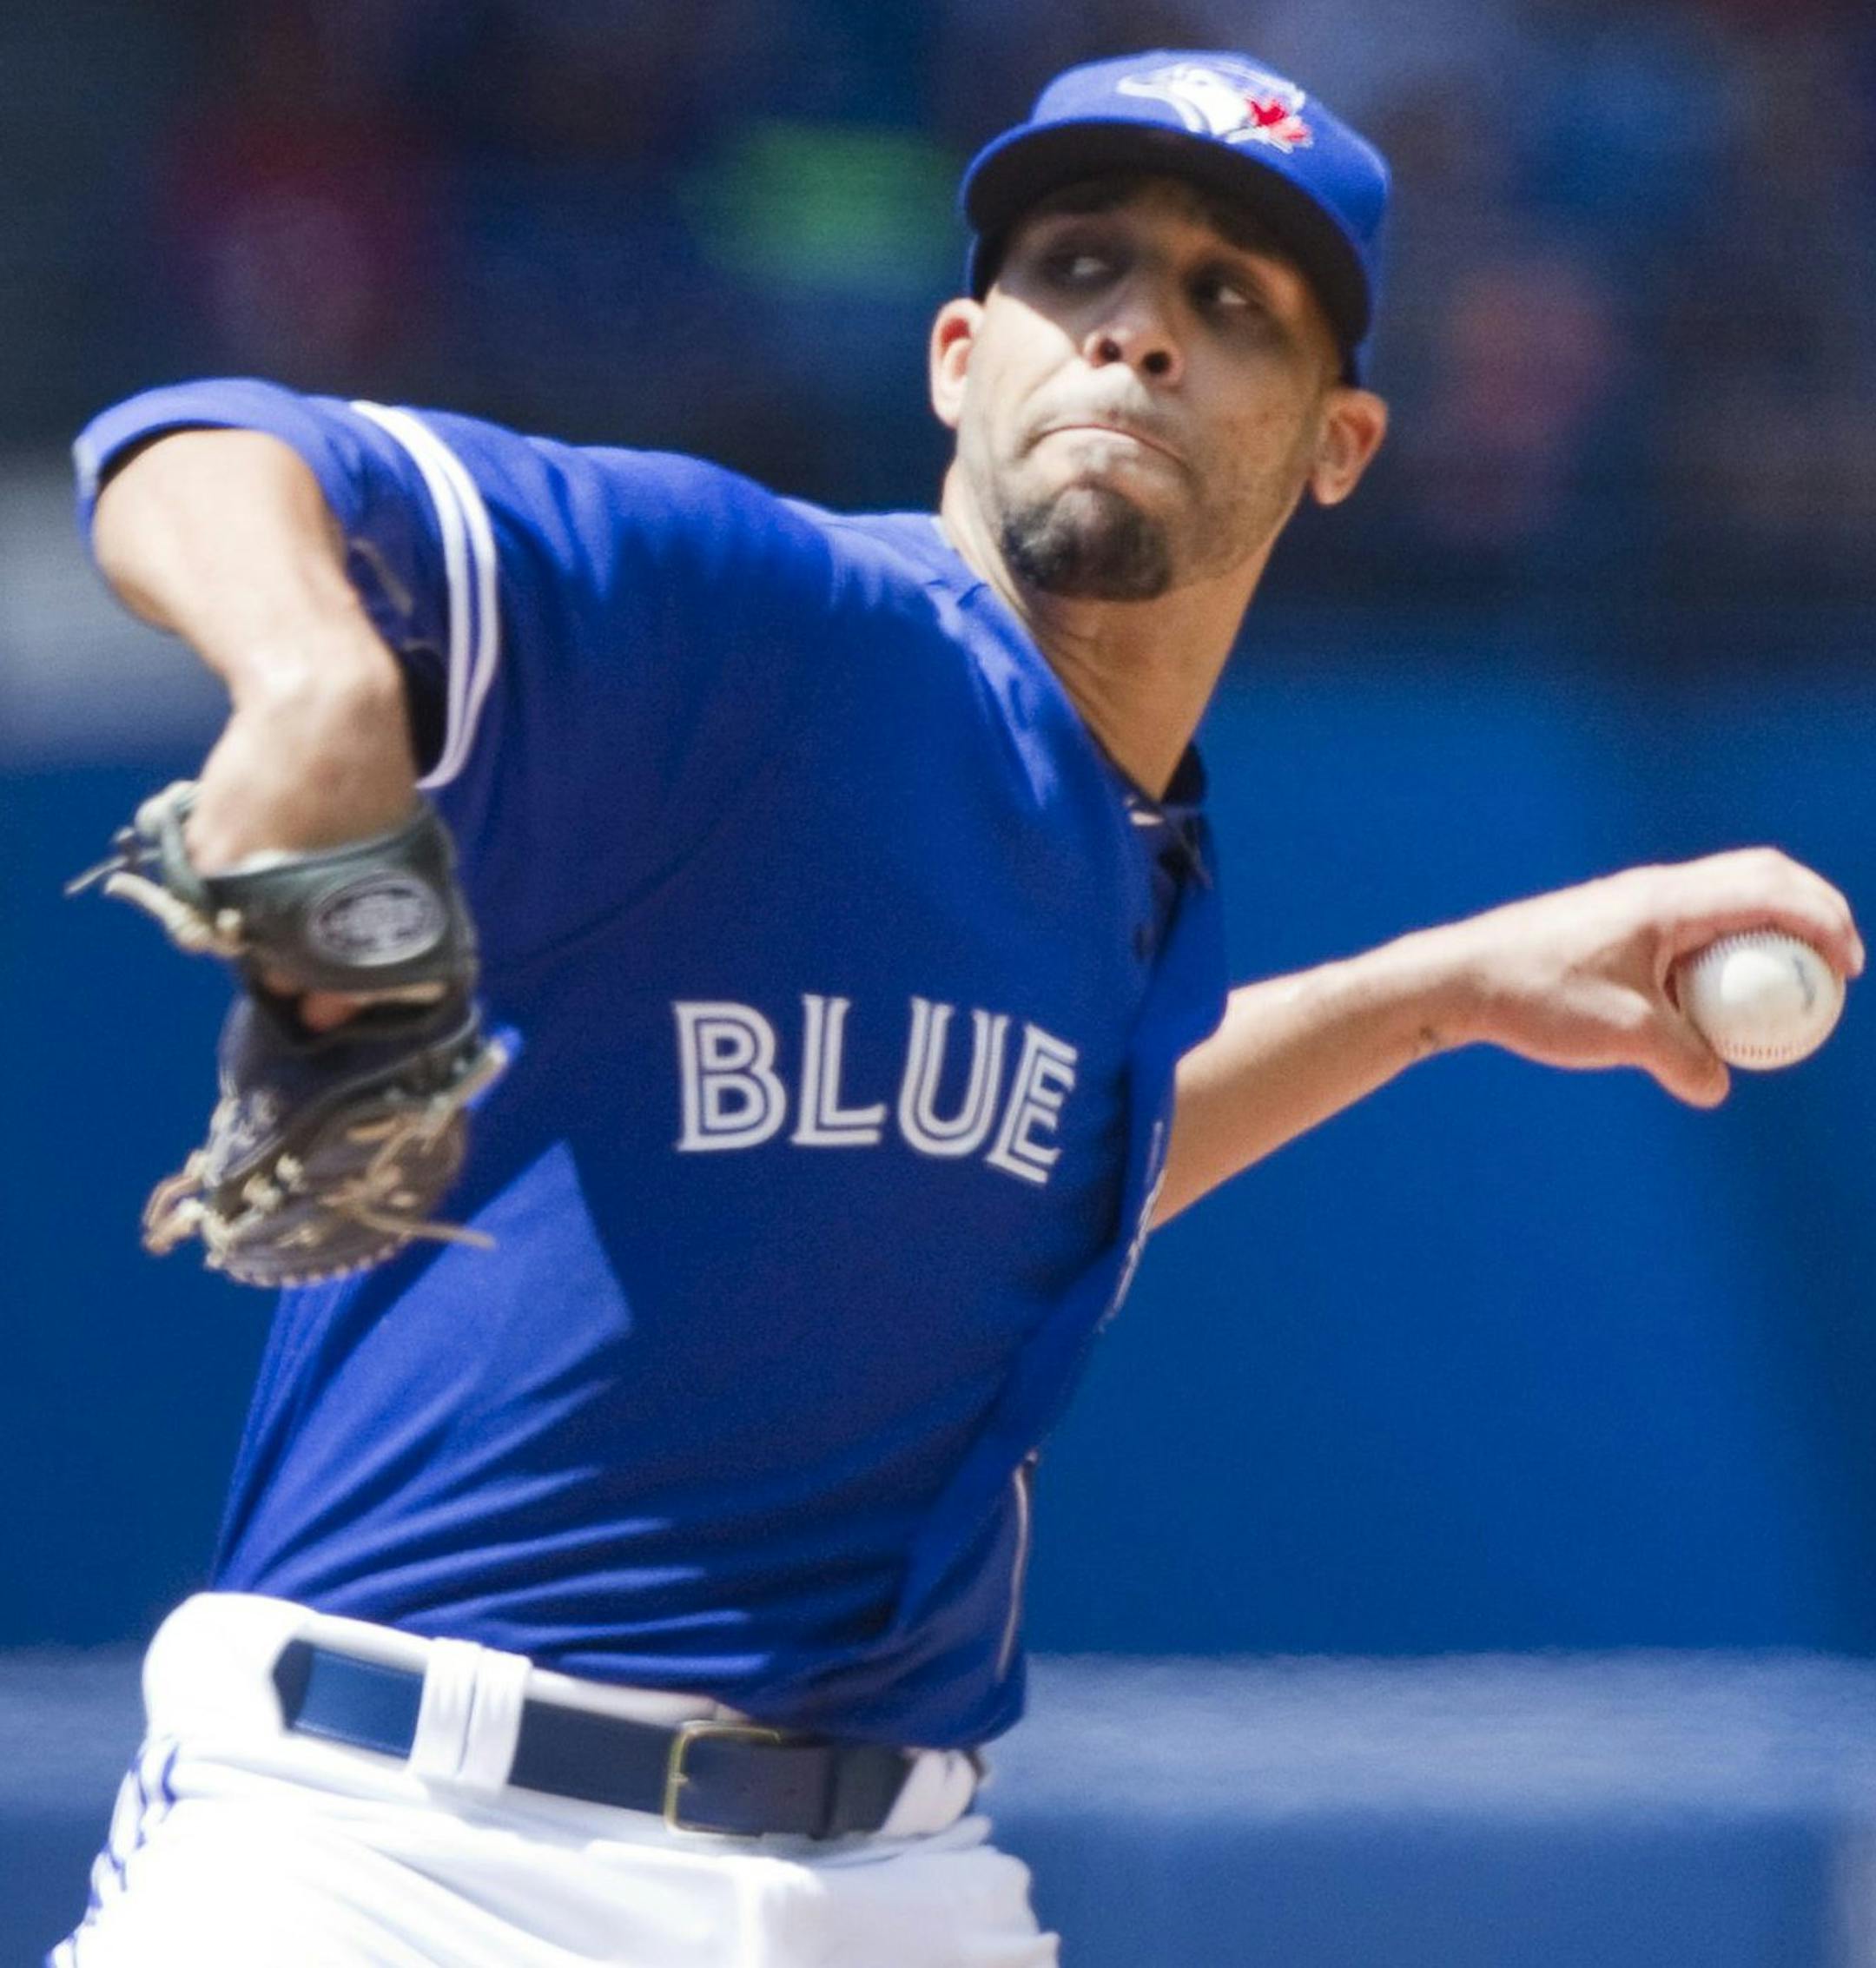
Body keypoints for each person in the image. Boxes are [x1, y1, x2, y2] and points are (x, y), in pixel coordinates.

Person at [55, 47, 1860, 1968]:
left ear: (1338, 444)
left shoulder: (1135, 846)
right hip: (408, 1856)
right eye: (1079, 269)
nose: (1136, 336)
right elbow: (193, 441)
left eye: (1227, 301)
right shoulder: (774, 620)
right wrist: (321, 679)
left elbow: (1058, 1151)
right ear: (953, 357)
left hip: (896, 1878)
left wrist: (1448, 990)